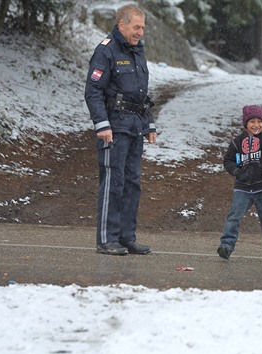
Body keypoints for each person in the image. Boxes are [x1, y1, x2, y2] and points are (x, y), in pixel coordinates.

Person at [84, 5, 157, 255]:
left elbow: (139, 94)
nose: (140, 32)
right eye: (136, 27)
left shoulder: (137, 51)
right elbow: (93, 91)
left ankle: (126, 237)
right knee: (113, 182)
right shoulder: (106, 51)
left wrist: (149, 124)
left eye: (143, 28)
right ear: (122, 25)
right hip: (114, 128)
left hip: (135, 127)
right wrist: (101, 124)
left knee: (132, 183)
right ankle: (107, 239)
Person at [217, 105, 262, 263]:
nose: (256, 125)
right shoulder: (237, 142)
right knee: (234, 217)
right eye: (252, 121)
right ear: (245, 123)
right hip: (243, 188)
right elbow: (228, 160)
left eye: (259, 121)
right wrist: (237, 172)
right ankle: (226, 245)